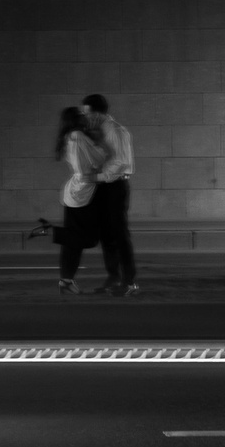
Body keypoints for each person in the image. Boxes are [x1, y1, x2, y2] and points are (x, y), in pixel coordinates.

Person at [80, 92, 139, 296]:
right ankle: (113, 277)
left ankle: (129, 281)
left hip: (115, 186)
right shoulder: (98, 131)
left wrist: (97, 177)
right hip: (105, 186)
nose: (85, 117)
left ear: (97, 113)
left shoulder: (116, 131)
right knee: (106, 234)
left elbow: (121, 162)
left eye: (87, 113)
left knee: (119, 234)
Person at [44, 105, 104, 295]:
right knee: (88, 238)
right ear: (76, 119)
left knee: (73, 242)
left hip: (76, 192)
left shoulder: (69, 136)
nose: (85, 117)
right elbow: (96, 160)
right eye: (81, 116)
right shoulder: (78, 136)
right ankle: (51, 231)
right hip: (84, 192)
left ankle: (66, 280)